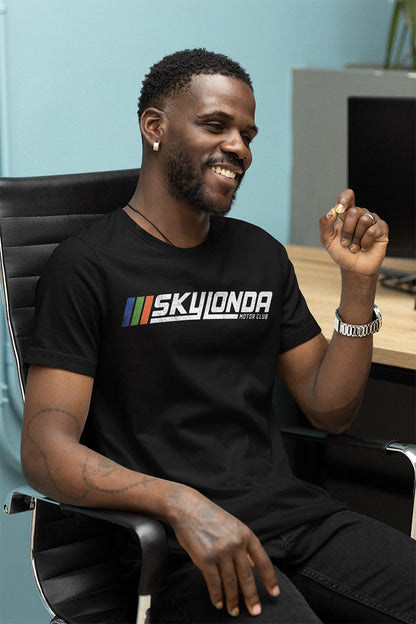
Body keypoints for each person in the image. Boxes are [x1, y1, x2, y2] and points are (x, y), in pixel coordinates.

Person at [21, 49, 414, 624]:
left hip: (300, 521)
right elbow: (44, 451)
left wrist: (358, 285)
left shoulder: (260, 254)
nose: (239, 147)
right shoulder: (87, 266)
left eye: (247, 133)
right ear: (154, 127)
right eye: (216, 125)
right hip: (180, 547)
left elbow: (331, 411)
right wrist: (181, 503)